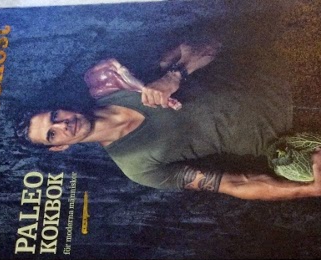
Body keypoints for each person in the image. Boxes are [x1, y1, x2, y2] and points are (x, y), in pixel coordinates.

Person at [18, 43, 321, 201]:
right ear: (59, 148)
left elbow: (209, 44)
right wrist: (309, 190)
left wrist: (173, 76)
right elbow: (235, 183)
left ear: (60, 107)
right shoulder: (137, 167)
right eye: (52, 135)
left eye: (54, 117)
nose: (62, 125)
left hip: (293, 76)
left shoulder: (117, 80)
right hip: (296, 137)